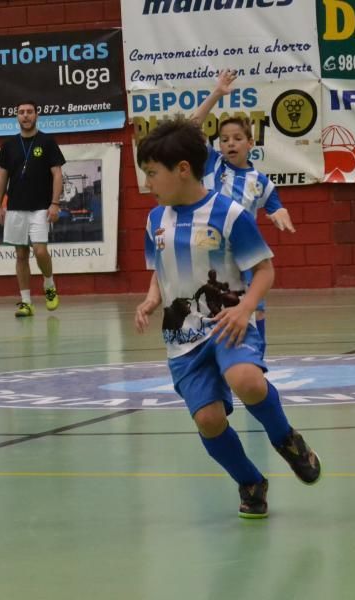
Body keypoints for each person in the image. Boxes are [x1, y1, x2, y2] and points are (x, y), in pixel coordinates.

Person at [133, 116, 320, 519]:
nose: (147, 183)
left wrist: (246, 307)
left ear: (182, 170)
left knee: (246, 380)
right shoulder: (154, 222)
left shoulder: (231, 214)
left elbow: (265, 270)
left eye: (152, 174)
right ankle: (250, 480)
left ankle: (286, 439)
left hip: (228, 321)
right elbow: (159, 271)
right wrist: (151, 298)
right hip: (182, 339)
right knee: (209, 419)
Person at [191, 69, 296, 347]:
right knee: (209, 306)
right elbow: (190, 128)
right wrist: (216, 93)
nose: (230, 143)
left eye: (237, 138)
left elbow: (276, 206)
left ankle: (256, 354)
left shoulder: (260, 181)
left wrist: (279, 213)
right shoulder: (212, 163)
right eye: (224, 139)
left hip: (243, 252)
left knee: (255, 307)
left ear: (251, 143)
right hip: (210, 249)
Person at [0, 100, 66, 317]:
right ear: (17, 116)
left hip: (40, 208)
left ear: (37, 115)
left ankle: (49, 284)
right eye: (21, 112)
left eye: (29, 112)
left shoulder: (47, 142)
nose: (25, 116)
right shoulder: (8, 145)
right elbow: (2, 176)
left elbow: (57, 174)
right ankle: (26, 302)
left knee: (40, 250)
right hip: (15, 208)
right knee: (21, 255)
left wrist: (55, 203)